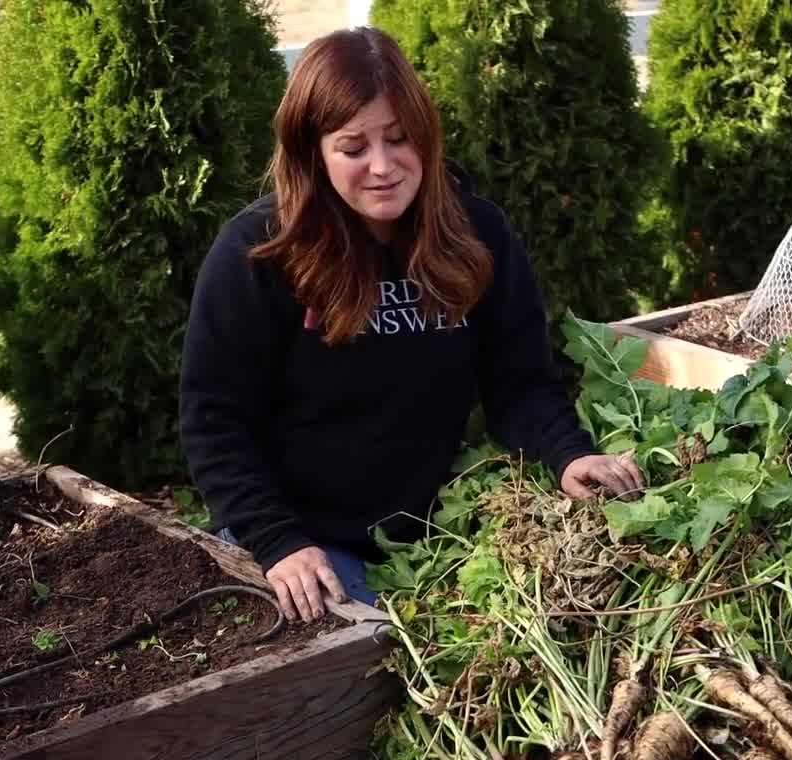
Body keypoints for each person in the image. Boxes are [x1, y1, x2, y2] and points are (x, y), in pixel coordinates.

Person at [177, 27, 643, 623]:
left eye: (399, 140)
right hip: (302, 544)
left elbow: (519, 382)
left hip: (431, 540)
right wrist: (277, 542)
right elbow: (213, 419)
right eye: (353, 148)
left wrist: (567, 455)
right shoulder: (260, 252)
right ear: (313, 152)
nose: (382, 167)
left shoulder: (478, 235)